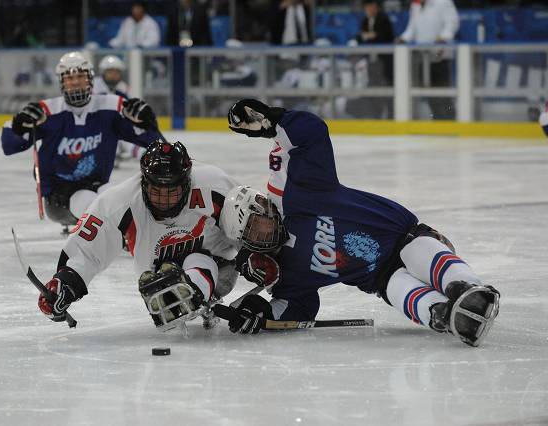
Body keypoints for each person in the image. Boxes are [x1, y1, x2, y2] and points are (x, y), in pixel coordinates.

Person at [218, 99, 500, 347]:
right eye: (254, 234)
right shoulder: (285, 272)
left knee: (419, 253)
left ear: (265, 205)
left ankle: (468, 289)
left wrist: (273, 121)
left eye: (259, 220)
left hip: (401, 236)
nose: (265, 231)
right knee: (401, 290)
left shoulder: (297, 191)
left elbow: (312, 135)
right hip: (381, 278)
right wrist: (261, 314)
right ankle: (446, 316)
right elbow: (298, 309)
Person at [37, 140, 240, 332]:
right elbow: (86, 250)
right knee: (168, 277)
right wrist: (65, 285)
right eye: (157, 191)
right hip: (156, 281)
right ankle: (180, 288)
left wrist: (257, 256)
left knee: (199, 261)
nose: (164, 201)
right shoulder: (119, 203)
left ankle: (192, 284)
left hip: (221, 265)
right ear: (144, 182)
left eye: (172, 192)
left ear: (186, 183)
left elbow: (250, 220)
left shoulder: (214, 185)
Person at [1, 51, 161, 229]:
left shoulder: (110, 108)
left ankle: (131, 241)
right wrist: (18, 126)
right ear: (62, 82)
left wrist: (147, 122)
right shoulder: (48, 112)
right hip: (58, 196)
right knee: (92, 201)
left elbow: (155, 143)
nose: (75, 82)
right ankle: (115, 238)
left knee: (116, 198)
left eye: (80, 76)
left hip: (97, 186)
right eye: (69, 78)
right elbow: (9, 146)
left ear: (90, 79)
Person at [396, 0, 459, 120]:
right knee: (429, 93)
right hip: (422, 57)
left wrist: (443, 38)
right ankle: (437, 119)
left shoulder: (443, 2)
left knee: (443, 92)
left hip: (440, 56)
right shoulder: (415, 5)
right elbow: (411, 28)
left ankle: (450, 120)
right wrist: (403, 38)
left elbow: (452, 23)